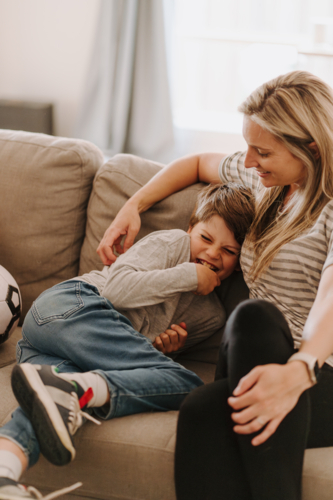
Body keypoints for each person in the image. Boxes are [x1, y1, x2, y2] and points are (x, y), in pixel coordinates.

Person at [96, 70, 333, 500]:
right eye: (247, 147)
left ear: (311, 149)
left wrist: (301, 369)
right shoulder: (265, 186)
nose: (246, 162)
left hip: (319, 375)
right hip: (249, 356)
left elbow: (332, 297)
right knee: (252, 319)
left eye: (262, 152)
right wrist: (133, 206)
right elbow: (197, 163)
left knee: (203, 410)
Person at [0, 183, 254, 500]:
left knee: (47, 404)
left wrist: (159, 349)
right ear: (190, 228)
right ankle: (80, 389)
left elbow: (133, 359)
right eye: (205, 238)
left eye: (229, 251)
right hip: (71, 304)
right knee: (185, 383)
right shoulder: (174, 243)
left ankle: (5, 474)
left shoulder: (211, 315)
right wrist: (189, 275)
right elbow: (117, 289)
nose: (213, 253)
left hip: (60, 348)